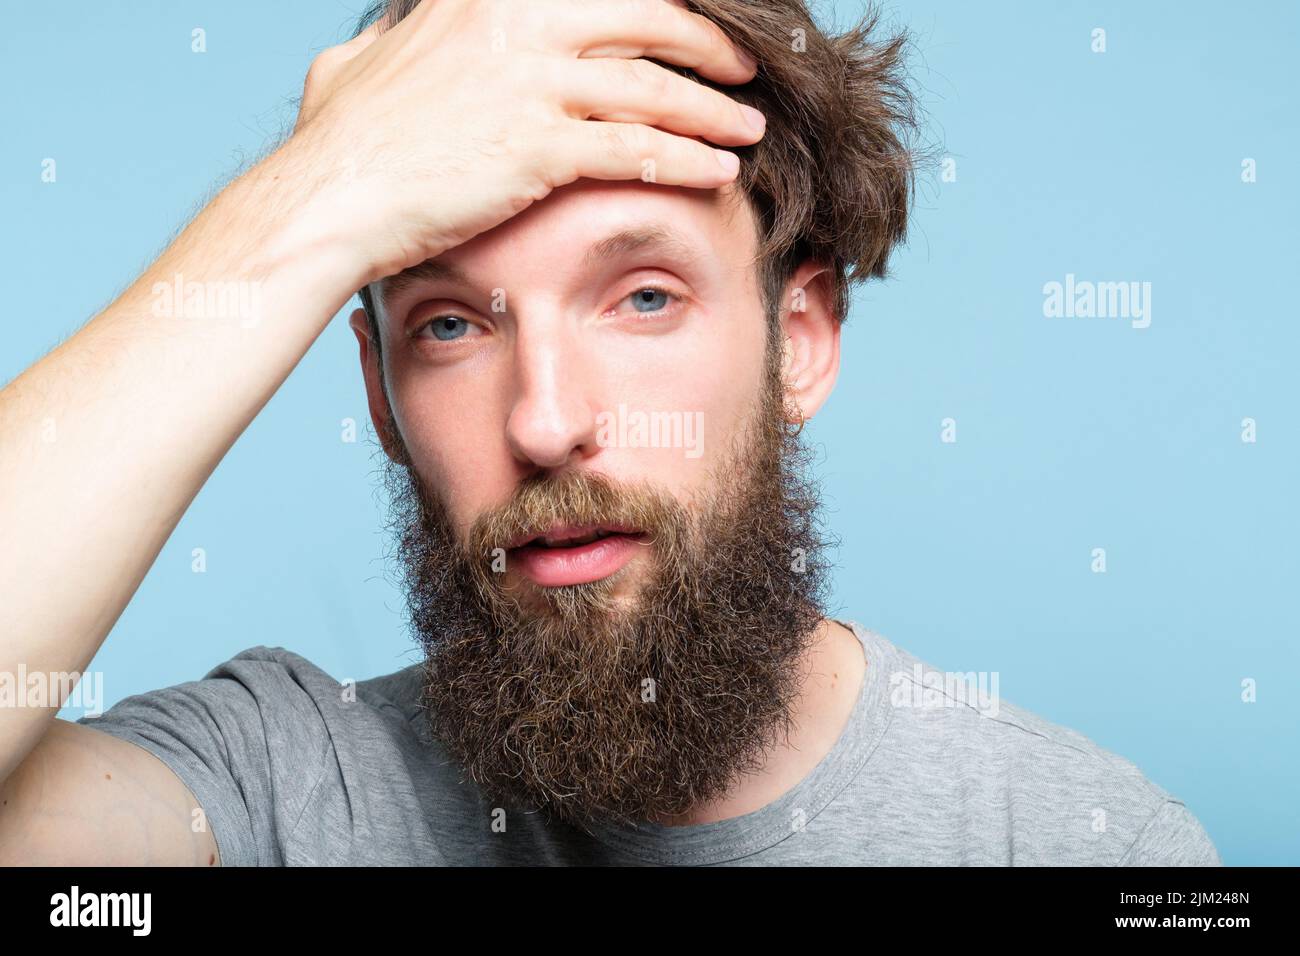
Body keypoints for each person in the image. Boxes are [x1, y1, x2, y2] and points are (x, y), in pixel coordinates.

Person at [0, 0, 1219, 866]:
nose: (543, 419)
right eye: (449, 326)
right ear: (377, 394)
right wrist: (315, 197)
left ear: (798, 338)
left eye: (643, 296)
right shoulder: (273, 789)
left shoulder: (1078, 839)